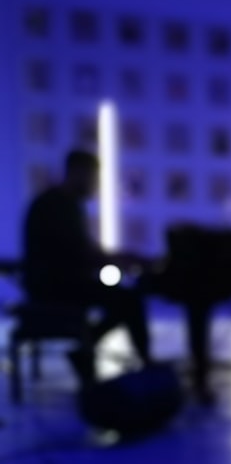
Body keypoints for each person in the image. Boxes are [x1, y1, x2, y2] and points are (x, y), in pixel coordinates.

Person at [23, 150, 152, 385]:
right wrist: (119, 259)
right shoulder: (57, 205)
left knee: (125, 300)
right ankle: (141, 362)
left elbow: (81, 248)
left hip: (56, 283)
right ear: (77, 172)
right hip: (55, 287)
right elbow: (77, 251)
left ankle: (87, 349)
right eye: (92, 178)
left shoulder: (62, 203)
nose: (94, 185)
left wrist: (115, 258)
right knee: (129, 301)